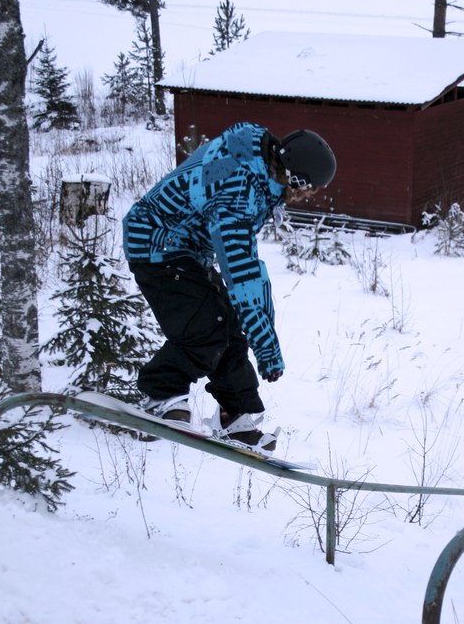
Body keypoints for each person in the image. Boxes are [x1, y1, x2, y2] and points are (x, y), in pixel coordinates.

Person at [122, 122, 337, 450]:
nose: (308, 197)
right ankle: (161, 392)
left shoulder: (257, 173)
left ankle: (235, 415)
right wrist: (267, 346)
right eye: (311, 189)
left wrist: (267, 336)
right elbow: (240, 272)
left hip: (189, 250)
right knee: (206, 325)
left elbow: (252, 269)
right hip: (154, 243)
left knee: (232, 326)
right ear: (296, 177)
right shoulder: (238, 188)